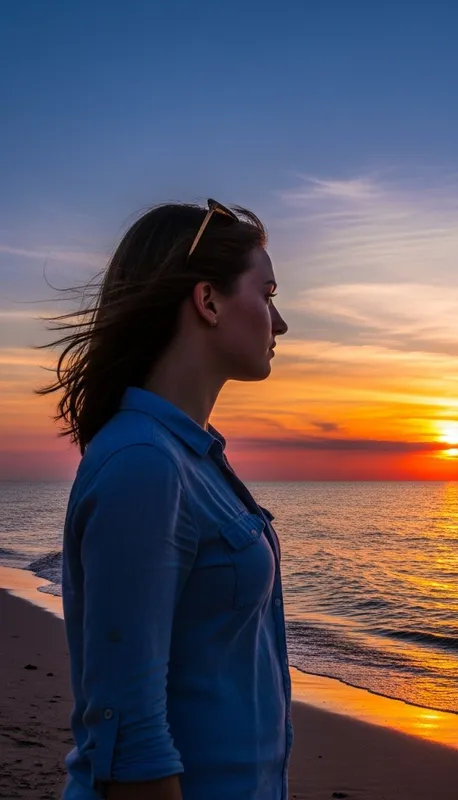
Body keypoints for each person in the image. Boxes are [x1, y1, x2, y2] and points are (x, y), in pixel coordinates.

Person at [37, 199, 292, 799]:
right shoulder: (145, 464)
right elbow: (131, 743)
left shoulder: (191, 456)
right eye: (267, 294)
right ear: (208, 302)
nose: (279, 323)